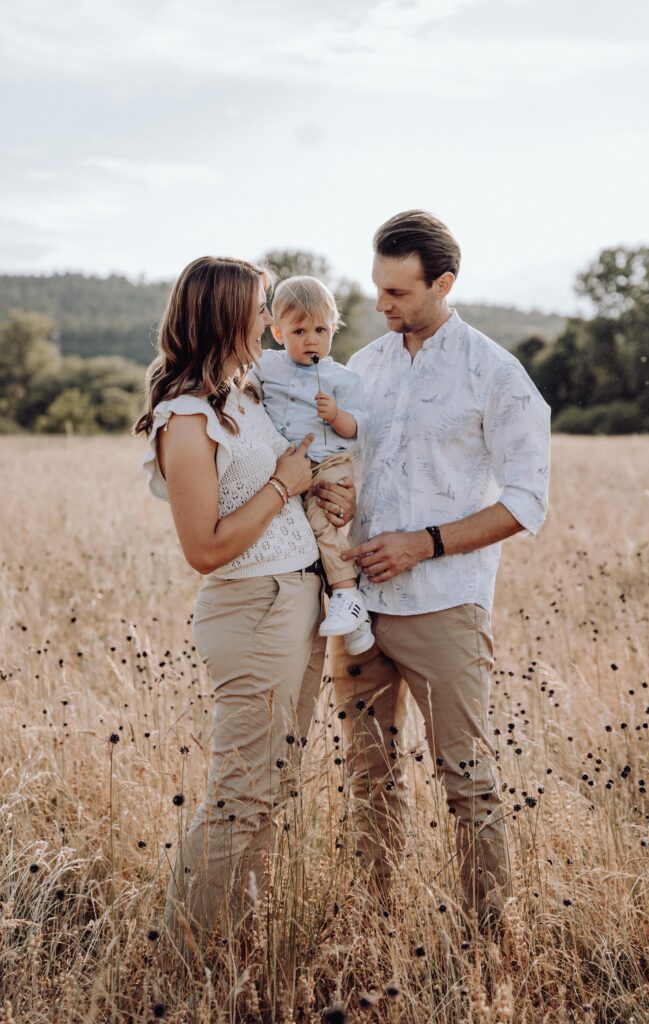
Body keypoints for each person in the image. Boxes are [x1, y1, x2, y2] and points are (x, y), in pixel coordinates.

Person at [329, 210, 551, 929]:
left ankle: (490, 937)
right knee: (366, 780)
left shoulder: (496, 373)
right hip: (357, 611)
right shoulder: (361, 369)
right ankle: (373, 926)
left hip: (444, 607)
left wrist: (422, 543)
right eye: (377, 290)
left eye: (396, 292)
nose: (381, 306)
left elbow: (525, 501)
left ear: (442, 283)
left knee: (468, 780)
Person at [133, 255, 355, 940]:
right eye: (259, 308)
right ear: (226, 315)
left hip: (298, 600)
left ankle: (239, 937)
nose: (268, 321)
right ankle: (186, 954)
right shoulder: (186, 417)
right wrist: (285, 487)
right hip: (251, 607)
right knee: (239, 793)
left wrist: (320, 488)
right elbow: (204, 546)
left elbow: (289, 474)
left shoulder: (243, 396)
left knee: (274, 785)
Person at [251, 275, 374, 656]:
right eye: (299, 330)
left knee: (324, 520)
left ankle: (347, 594)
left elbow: (358, 429)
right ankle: (358, 625)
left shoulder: (341, 378)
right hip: (292, 467)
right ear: (276, 332)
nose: (311, 340)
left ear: (333, 329)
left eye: (321, 329)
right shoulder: (268, 366)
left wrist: (336, 415)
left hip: (329, 461)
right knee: (307, 538)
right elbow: (245, 385)